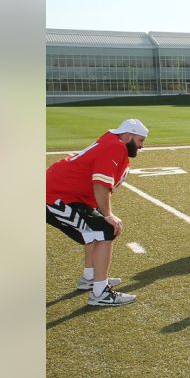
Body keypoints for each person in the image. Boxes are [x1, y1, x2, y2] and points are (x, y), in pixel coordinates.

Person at [45, 118, 148, 306]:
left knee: (96, 229)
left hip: (64, 194)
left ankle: (90, 278)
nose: (142, 146)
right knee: (105, 229)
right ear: (127, 136)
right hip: (56, 196)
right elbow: (100, 183)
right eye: (140, 140)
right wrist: (108, 215)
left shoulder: (113, 144)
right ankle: (100, 293)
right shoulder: (115, 147)